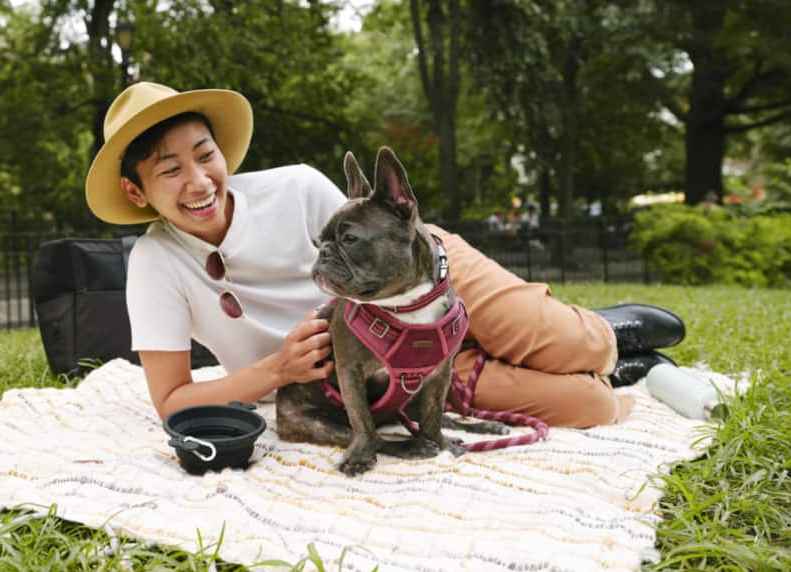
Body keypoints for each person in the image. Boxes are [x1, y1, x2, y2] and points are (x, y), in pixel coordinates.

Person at [85, 82, 686, 428]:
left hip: (435, 278)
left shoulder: (293, 186)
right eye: (170, 169)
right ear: (137, 192)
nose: (199, 180)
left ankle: (609, 334)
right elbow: (171, 401)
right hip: (382, 365)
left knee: (579, 346)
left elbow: (386, 231)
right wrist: (276, 373)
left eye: (204, 153)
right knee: (589, 405)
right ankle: (631, 368)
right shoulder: (155, 264)